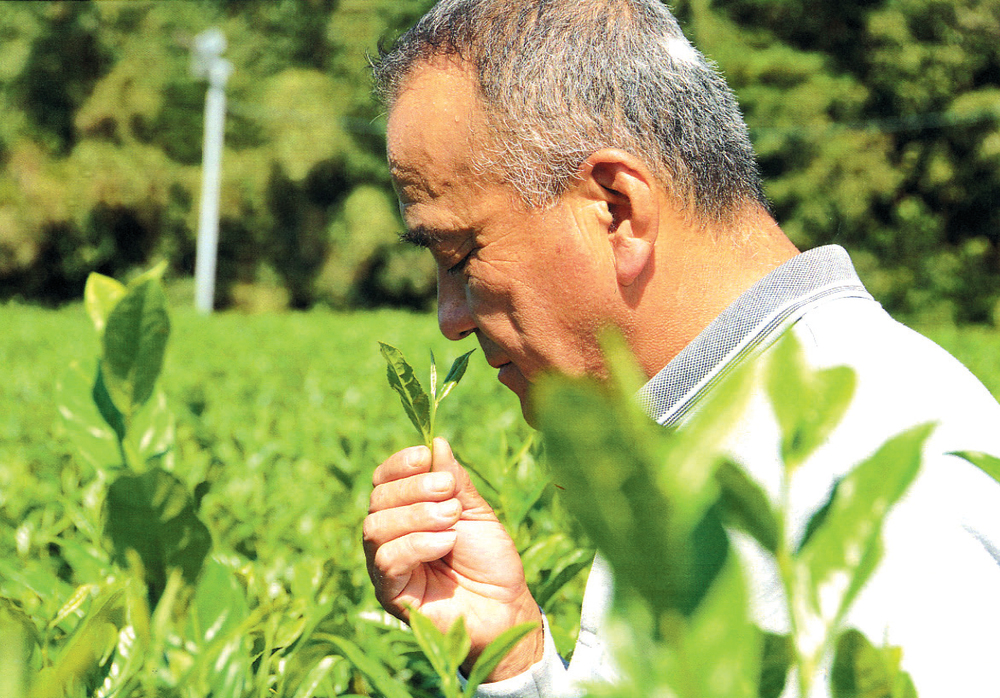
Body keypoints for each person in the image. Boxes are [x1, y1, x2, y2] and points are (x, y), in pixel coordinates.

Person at [361, 1, 1000, 696]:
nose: (449, 318)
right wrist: (517, 660)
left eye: (459, 253)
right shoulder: (701, 431)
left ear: (616, 209)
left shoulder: (887, 495)